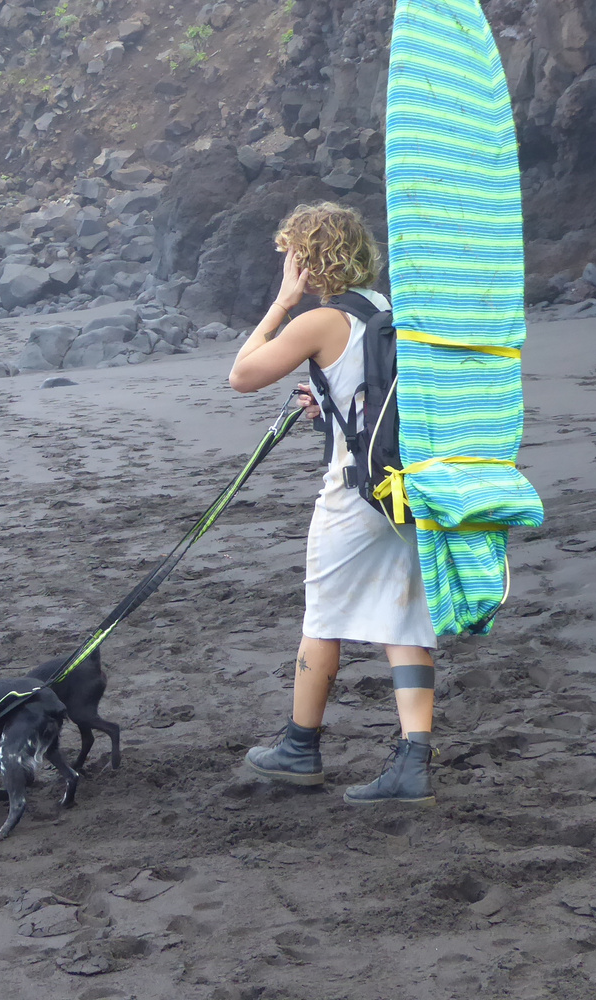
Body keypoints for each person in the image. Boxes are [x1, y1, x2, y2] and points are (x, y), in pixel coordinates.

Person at [228, 201, 440, 806]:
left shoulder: (319, 320)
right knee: (405, 620)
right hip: (400, 486)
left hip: (352, 491)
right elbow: (375, 391)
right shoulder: (382, 309)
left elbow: (242, 375)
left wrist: (281, 303)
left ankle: (300, 746)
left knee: (323, 616)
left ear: (307, 258)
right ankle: (414, 759)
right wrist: (332, 402)